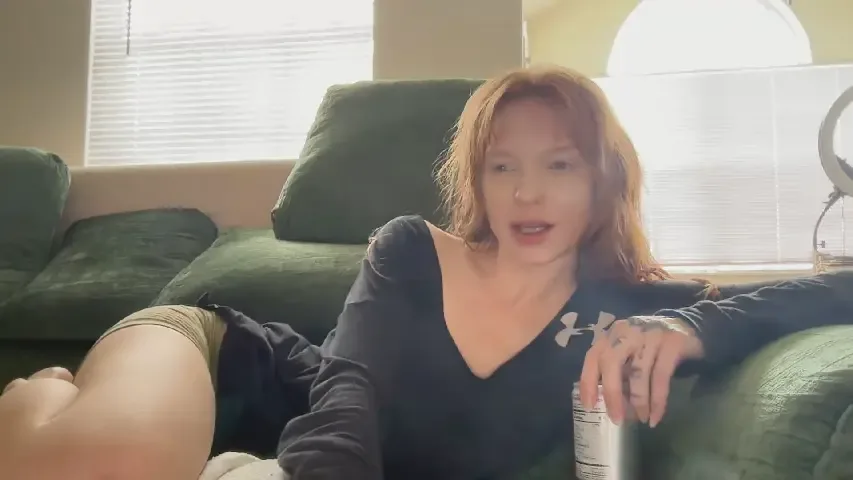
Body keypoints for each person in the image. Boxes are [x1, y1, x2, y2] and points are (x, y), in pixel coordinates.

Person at [1, 65, 852, 480]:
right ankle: (35, 394)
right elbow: (349, 393)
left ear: (604, 177)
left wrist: (695, 324)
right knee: (104, 465)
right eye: (500, 166)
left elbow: (830, 289)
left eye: (558, 164)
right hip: (215, 355)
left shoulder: (629, 310)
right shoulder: (411, 248)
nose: (525, 192)